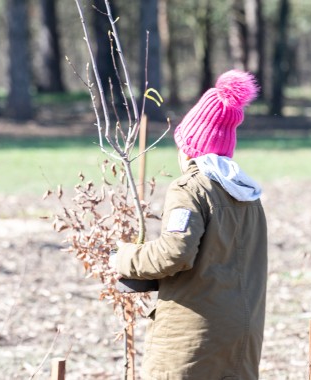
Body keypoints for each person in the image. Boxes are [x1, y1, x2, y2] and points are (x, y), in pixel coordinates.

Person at [111, 70, 268, 379]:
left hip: (194, 336)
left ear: (190, 148)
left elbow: (175, 252)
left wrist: (125, 258)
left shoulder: (190, 188)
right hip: (242, 333)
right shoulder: (249, 194)